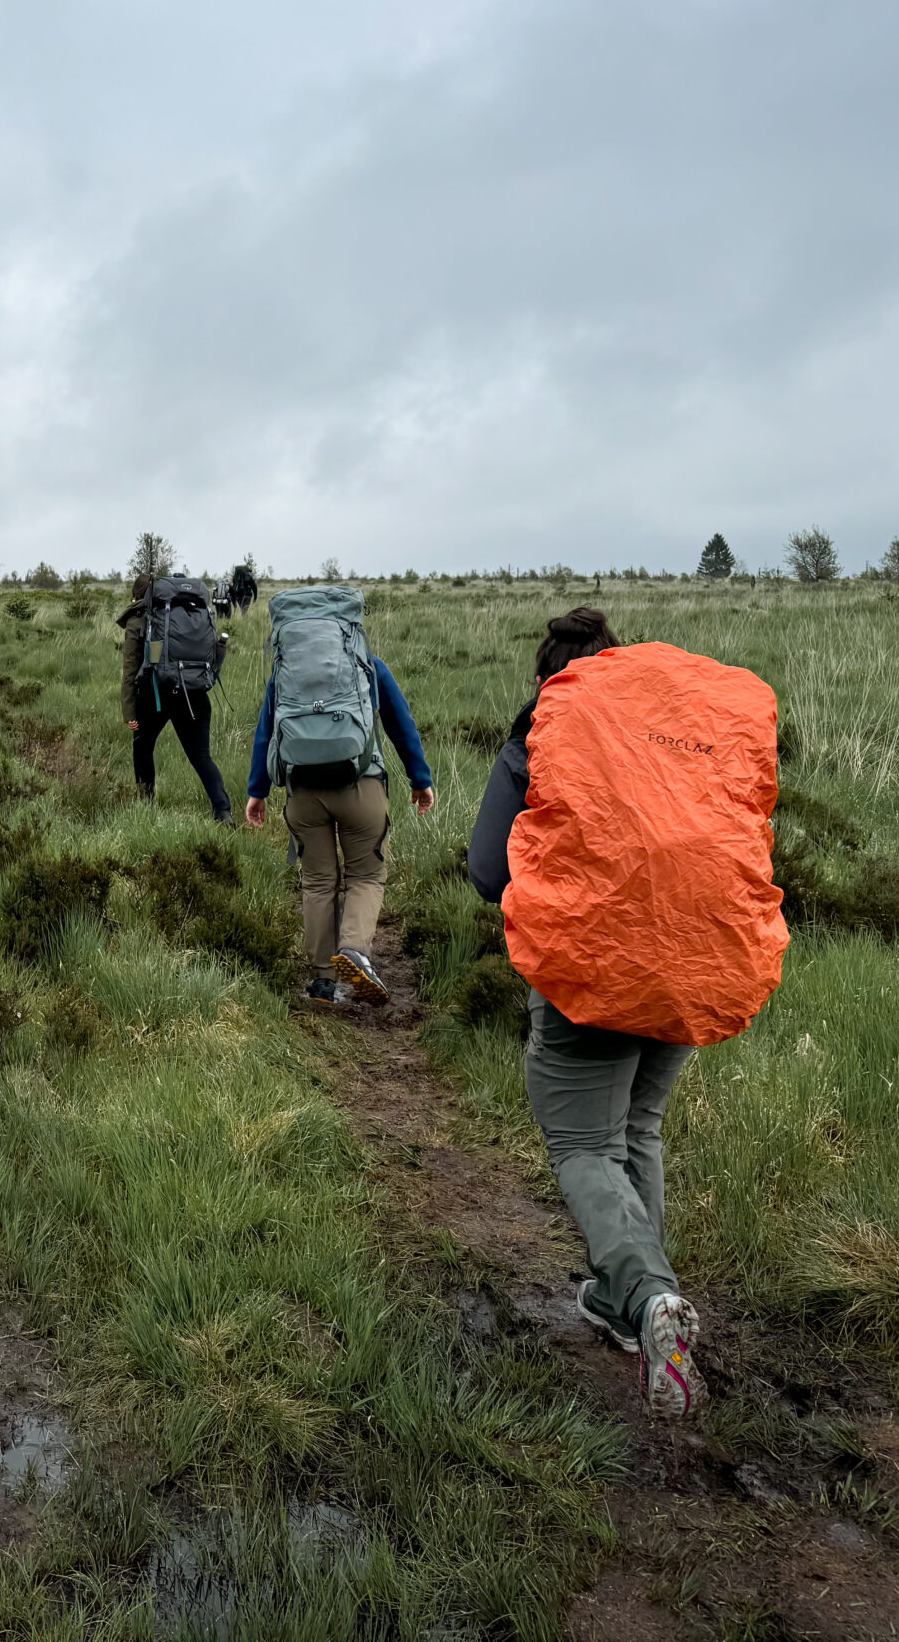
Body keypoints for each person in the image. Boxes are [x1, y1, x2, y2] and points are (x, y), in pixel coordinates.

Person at [468, 606, 733, 1418]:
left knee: (585, 1142)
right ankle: (627, 1309)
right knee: (639, 1130)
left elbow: (486, 869)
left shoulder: (543, 736)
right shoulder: (679, 741)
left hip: (592, 974)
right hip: (695, 964)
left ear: (550, 676)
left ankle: (652, 1301)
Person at [242, 594, 434, 1004]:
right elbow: (401, 723)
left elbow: (266, 733)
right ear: (349, 629)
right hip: (360, 785)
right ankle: (354, 949)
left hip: (303, 792)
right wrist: (421, 779)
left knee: (317, 882)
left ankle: (323, 982)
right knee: (366, 875)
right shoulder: (367, 665)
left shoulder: (284, 673)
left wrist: (257, 792)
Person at [120, 574, 233, 821]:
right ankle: (223, 812)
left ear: (138, 595)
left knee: (142, 747)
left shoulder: (140, 619)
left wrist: (129, 711)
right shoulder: (192, 613)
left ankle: (146, 807)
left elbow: (130, 669)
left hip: (156, 695)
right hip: (194, 691)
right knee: (202, 757)